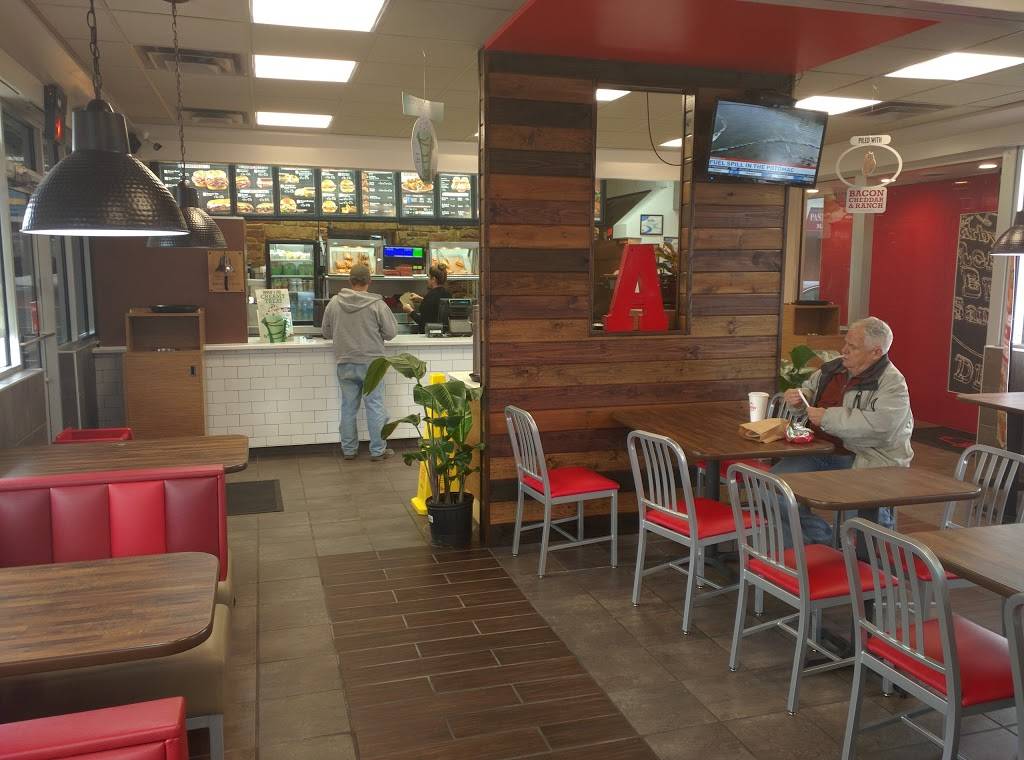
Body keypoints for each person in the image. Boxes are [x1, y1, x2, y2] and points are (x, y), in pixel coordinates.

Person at [774, 316, 914, 546]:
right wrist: (801, 398)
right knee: (773, 488)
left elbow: (881, 427)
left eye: (853, 347)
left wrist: (828, 417)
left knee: (860, 519)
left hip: (866, 458)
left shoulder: (893, 384)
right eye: (845, 343)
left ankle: (864, 558)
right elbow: (810, 390)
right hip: (819, 451)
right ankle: (820, 546)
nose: (844, 350)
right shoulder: (834, 367)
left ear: (876, 352)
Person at [321, 263, 398, 461]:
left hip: (345, 361)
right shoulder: (377, 304)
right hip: (372, 364)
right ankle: (378, 450)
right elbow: (391, 333)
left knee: (348, 407)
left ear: (349, 280)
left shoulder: (334, 303)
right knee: (374, 406)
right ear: (369, 281)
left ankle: (348, 450)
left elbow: (326, 332)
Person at [403, 264, 451, 332]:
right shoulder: (448, 294)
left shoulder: (430, 297)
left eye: (429, 277)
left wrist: (410, 311)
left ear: (433, 279)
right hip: (443, 332)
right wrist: (421, 299)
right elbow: (436, 306)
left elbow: (424, 323)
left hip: (430, 334)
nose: (427, 280)